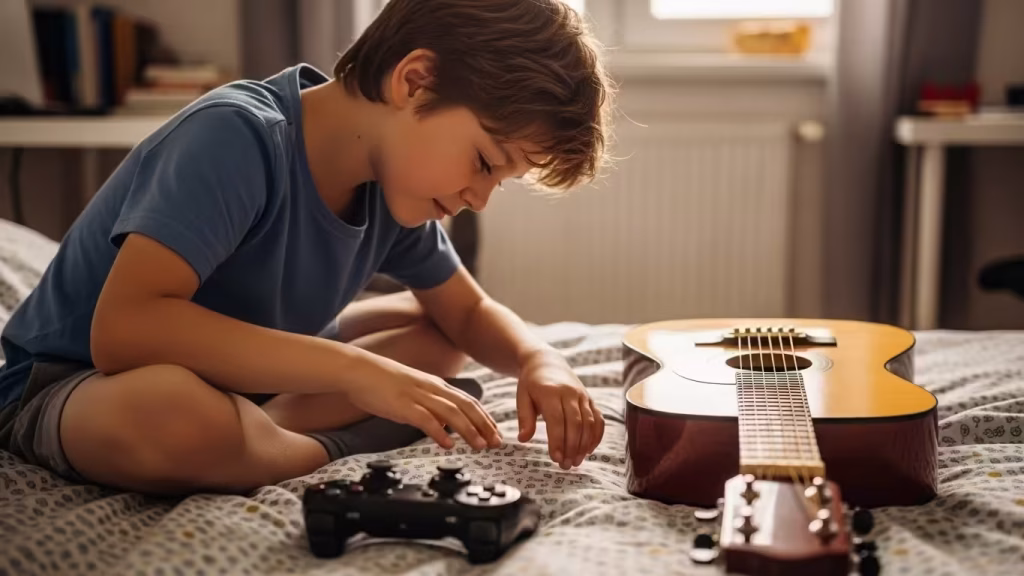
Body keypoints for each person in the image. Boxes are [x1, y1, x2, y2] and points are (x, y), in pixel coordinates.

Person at [0, 0, 612, 495]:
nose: (479, 199)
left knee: (440, 334)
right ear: (414, 82)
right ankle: (313, 445)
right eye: (483, 163)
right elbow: (125, 332)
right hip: (74, 382)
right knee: (174, 413)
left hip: (243, 378)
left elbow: (470, 312)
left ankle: (267, 427)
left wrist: (541, 361)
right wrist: (359, 372)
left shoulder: (389, 183)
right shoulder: (237, 137)